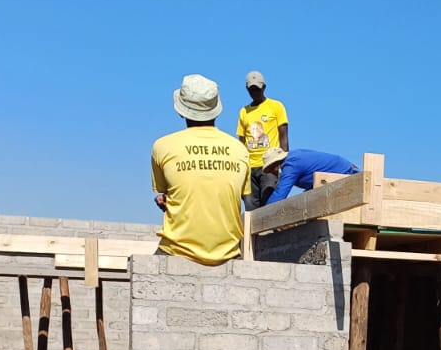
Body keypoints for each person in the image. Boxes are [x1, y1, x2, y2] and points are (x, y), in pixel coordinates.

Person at [152, 75, 250, 264]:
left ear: (181, 112)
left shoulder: (162, 146)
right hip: (229, 254)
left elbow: (168, 192)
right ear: (216, 110)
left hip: (175, 251)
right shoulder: (240, 151)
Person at [236, 71, 288, 209]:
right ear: (247, 89)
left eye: (257, 89)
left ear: (264, 87)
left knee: (270, 205)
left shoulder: (276, 106)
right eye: (252, 89)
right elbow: (241, 141)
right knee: (250, 207)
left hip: (269, 165)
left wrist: (283, 163)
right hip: (250, 167)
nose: (255, 92)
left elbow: (283, 136)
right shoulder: (244, 111)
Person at [267, 147, 359, 204]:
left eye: (271, 169)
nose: (272, 173)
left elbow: (280, 194)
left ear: (276, 164)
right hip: (346, 169)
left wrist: (264, 215)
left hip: (346, 173)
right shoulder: (295, 155)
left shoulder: (291, 164)